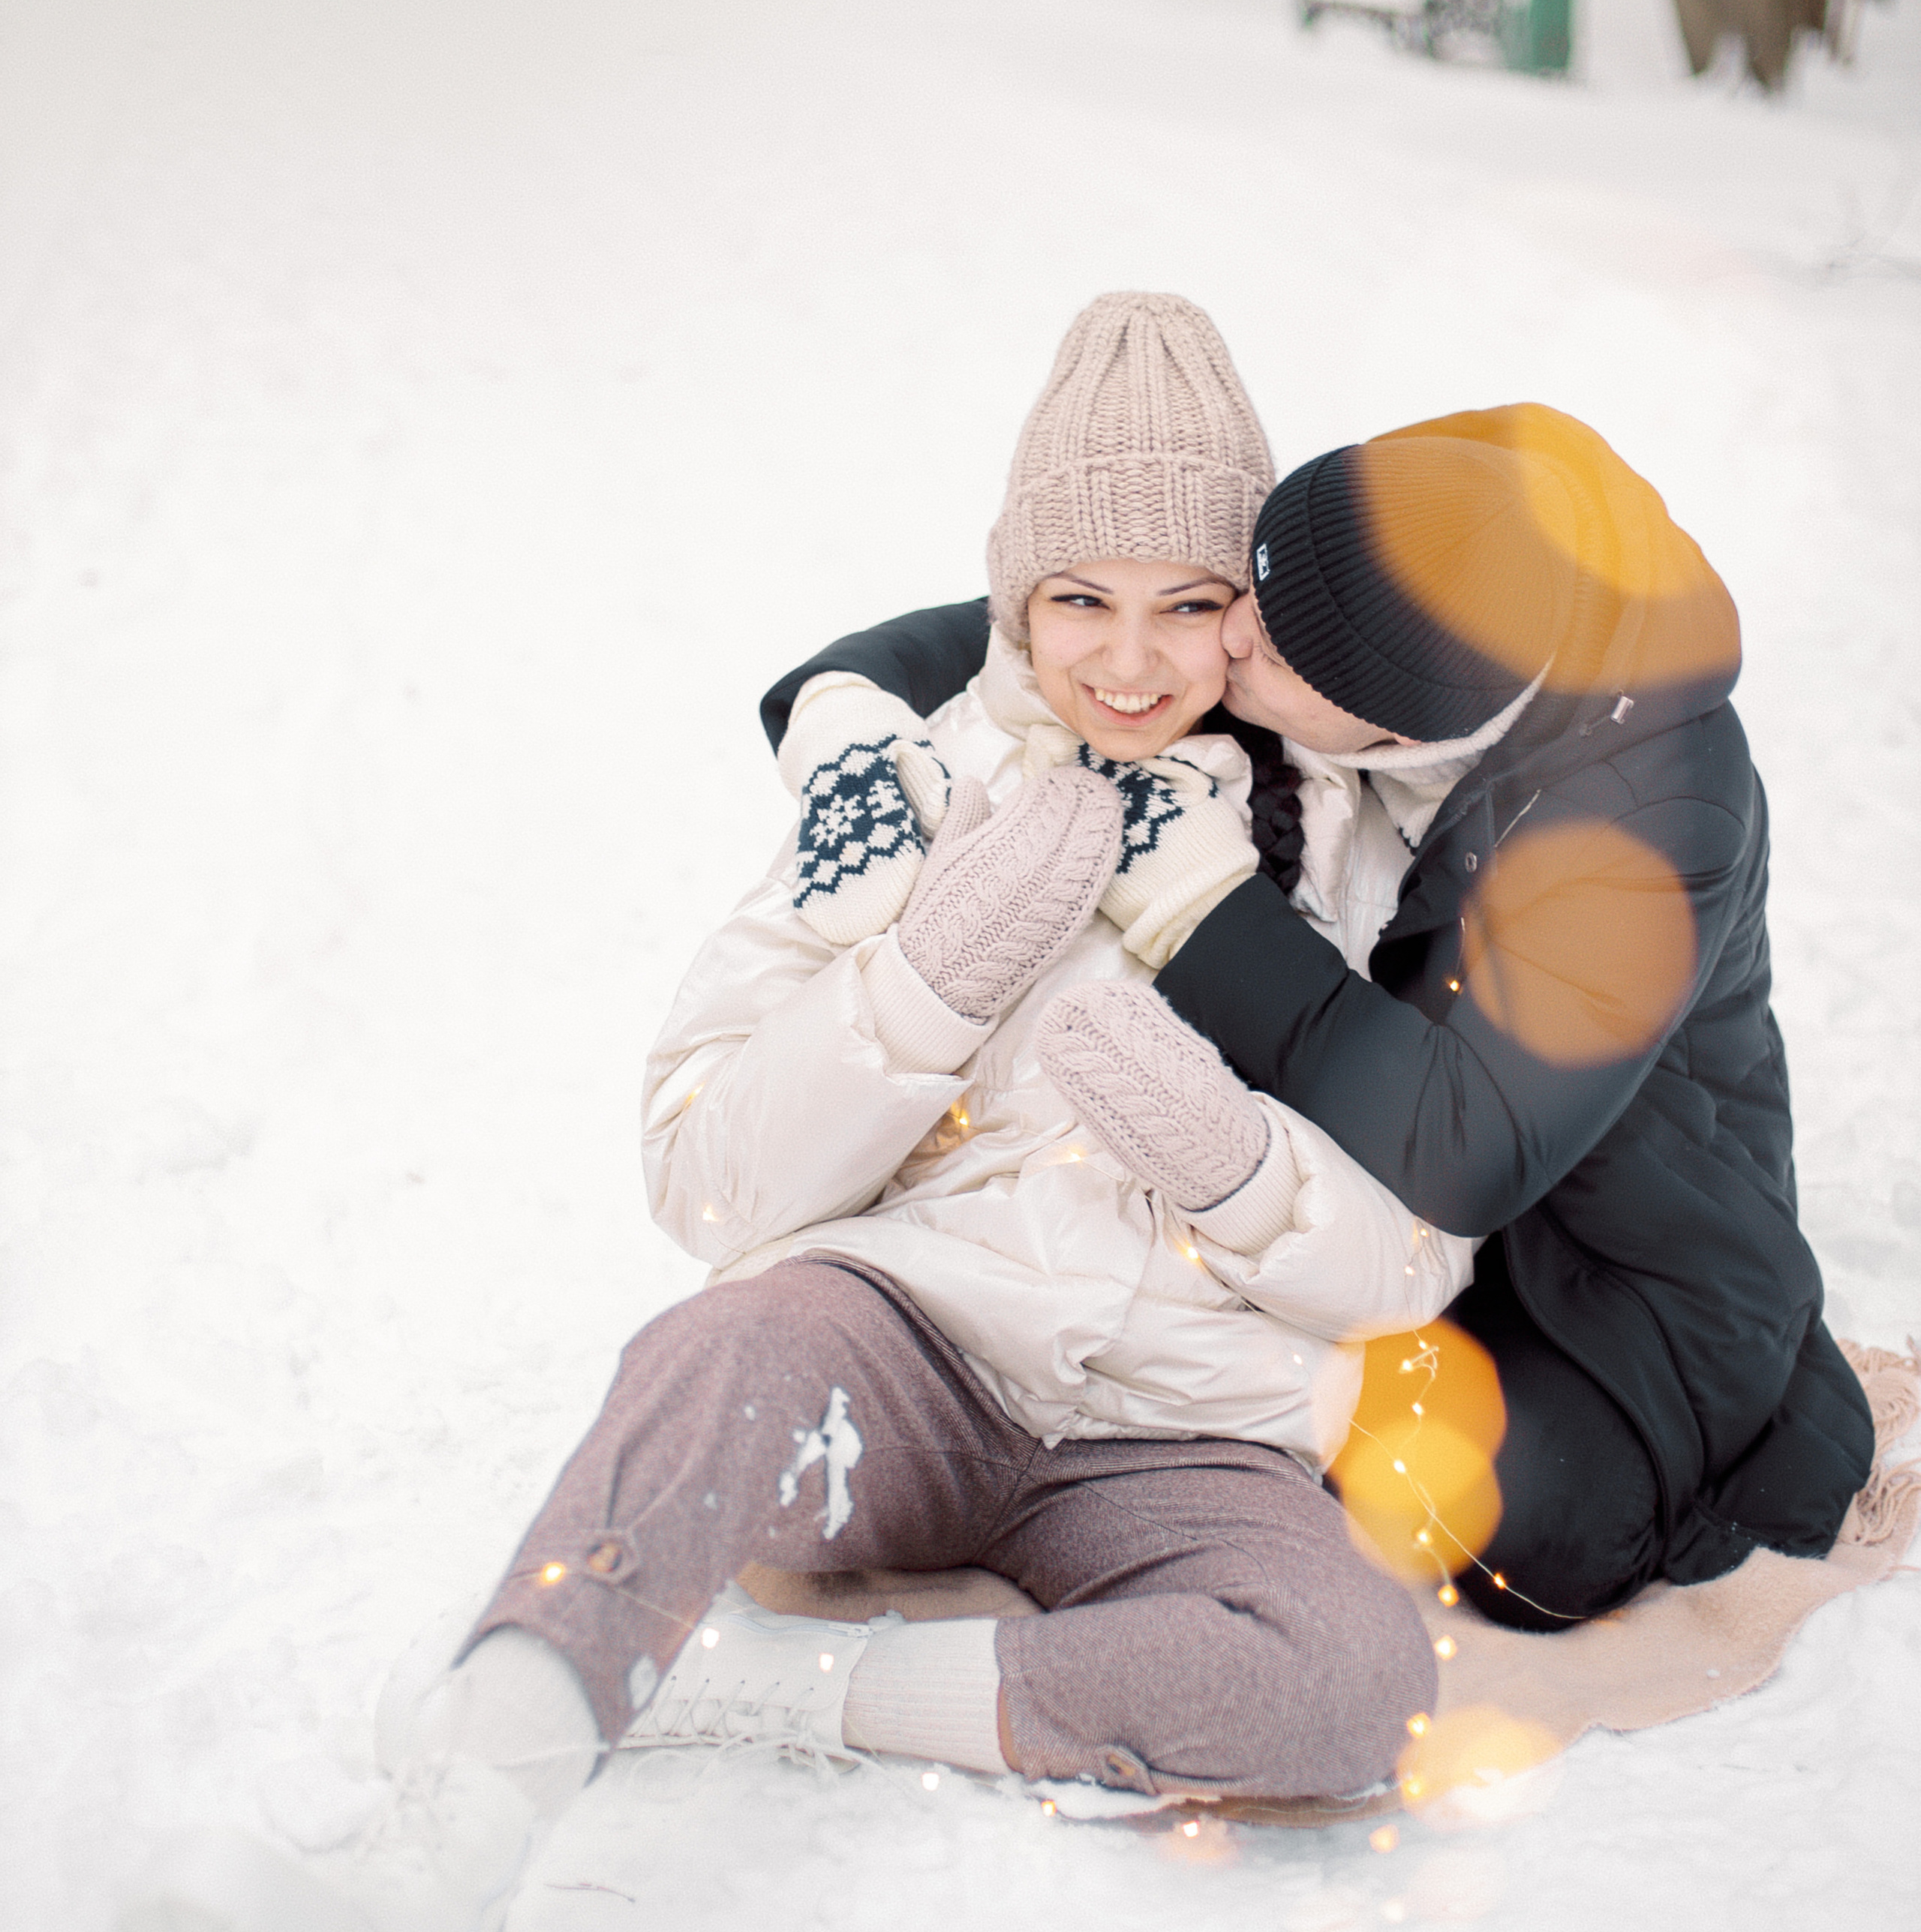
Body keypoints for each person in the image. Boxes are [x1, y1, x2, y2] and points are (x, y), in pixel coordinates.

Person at [104, 293, 1469, 1932]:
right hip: (901, 1346)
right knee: (727, 1345)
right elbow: (707, 1170)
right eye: (1078, 599)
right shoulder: (892, 793)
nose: (1136, 658)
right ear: (1009, 593)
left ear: (1247, 617)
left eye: (1188, 603)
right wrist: (926, 986)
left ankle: (748, 1688)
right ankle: (421, 1904)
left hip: (1193, 1431)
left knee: (1345, 1684)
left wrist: (1235, 1159)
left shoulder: (1346, 848)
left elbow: (1419, 1239)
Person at [763, 395, 1873, 1630]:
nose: (1222, 640)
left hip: (1599, 1250)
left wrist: (1197, 902)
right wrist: (844, 712)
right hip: (1348, 1182)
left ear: (1403, 731)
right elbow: (1061, 626)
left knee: (1522, 1532)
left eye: (1271, 653)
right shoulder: (1420, 530)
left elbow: (1470, 1150)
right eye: (1245, 591)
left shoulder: (1659, 816)